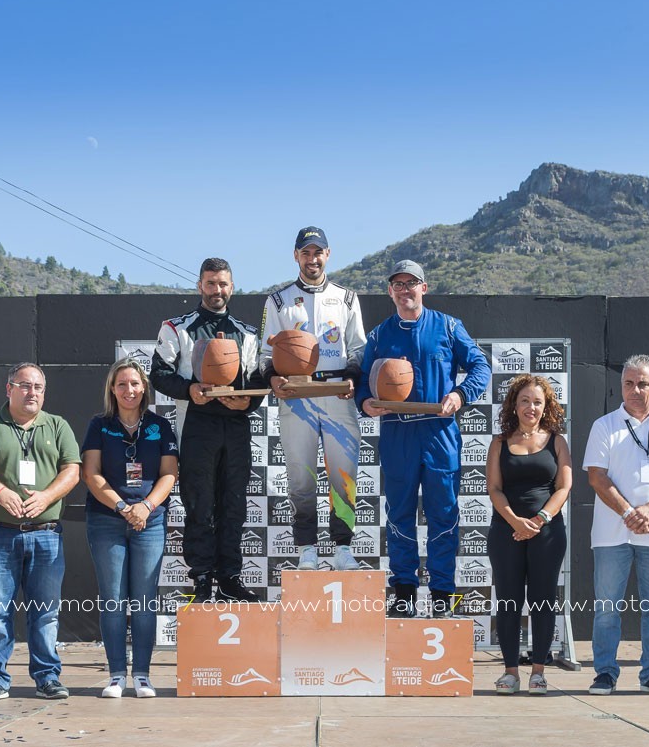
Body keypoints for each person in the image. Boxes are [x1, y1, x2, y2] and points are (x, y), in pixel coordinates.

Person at [356, 259, 491, 617]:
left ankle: (442, 596)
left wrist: (460, 395)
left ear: (424, 288)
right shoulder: (381, 334)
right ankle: (403, 593)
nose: (405, 290)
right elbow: (361, 381)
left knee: (443, 514)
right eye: (398, 284)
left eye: (411, 283)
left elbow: (481, 366)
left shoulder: (448, 326)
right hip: (398, 432)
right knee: (399, 515)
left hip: (439, 432)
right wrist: (365, 402)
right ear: (390, 291)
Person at [0, 362, 81, 702]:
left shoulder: (57, 425)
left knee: (45, 612)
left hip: (46, 533)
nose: (32, 393)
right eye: (24, 386)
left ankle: (47, 677)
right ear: (8, 389)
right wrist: (0, 492)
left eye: (38, 387)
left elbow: (72, 470)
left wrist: (46, 496)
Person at [151, 257, 264, 602]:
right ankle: (201, 577)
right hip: (198, 423)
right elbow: (157, 374)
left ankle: (229, 576)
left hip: (236, 424)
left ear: (232, 287)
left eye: (223, 284)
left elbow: (257, 381)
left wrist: (249, 404)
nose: (217, 290)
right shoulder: (176, 327)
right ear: (200, 285)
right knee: (199, 502)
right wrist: (189, 390)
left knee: (234, 503)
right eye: (211, 283)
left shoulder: (247, 334)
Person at [260, 226, 366, 571]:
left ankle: (343, 549)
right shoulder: (278, 300)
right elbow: (265, 355)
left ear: (328, 254)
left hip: (336, 392)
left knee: (343, 474)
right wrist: (272, 377)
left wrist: (351, 376)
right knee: (300, 475)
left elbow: (359, 348)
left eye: (318, 252)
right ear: (296, 256)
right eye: (305, 252)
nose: (312, 259)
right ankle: (306, 548)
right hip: (297, 397)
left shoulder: (347, 298)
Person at [583, 354, 649, 696]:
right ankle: (605, 673)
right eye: (629, 383)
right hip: (611, 533)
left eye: (643, 383)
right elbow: (597, 477)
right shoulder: (604, 425)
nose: (635, 390)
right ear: (621, 386)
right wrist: (630, 512)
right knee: (606, 609)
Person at [82, 358, 179, 698]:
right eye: (122, 384)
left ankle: (142, 675)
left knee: (143, 601)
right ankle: (116, 675)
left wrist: (146, 506)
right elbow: (91, 474)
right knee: (112, 599)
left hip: (149, 522)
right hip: (107, 520)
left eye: (135, 384)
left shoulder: (160, 426)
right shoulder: (99, 425)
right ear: (112, 388)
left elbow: (169, 473)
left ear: (144, 388)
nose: (129, 390)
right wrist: (123, 507)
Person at [485, 374, 571, 694]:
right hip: (505, 532)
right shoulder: (499, 442)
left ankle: (538, 672)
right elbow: (493, 488)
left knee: (542, 601)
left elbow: (564, 486)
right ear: (514, 405)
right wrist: (515, 522)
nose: (531, 407)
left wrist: (539, 519)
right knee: (508, 601)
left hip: (547, 533)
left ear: (546, 405)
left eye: (537, 401)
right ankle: (510, 672)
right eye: (524, 401)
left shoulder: (557, 441)